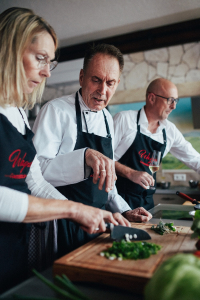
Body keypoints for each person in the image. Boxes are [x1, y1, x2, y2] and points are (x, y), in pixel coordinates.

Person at [0, 8, 118, 294]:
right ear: (8, 50)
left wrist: (82, 211)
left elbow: (34, 180)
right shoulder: (55, 110)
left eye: (50, 62)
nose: (45, 72)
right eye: (40, 58)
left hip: (11, 244)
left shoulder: (16, 112)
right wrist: (71, 208)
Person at [32, 43, 152, 257]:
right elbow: (36, 172)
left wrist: (124, 209)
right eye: (95, 80)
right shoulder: (56, 111)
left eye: (110, 83)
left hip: (97, 223)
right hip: (61, 223)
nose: (102, 90)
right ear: (81, 77)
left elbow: (109, 181)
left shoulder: (107, 118)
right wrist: (84, 156)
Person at [113, 78, 200, 210]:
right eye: (170, 100)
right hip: (118, 201)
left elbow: (195, 159)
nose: (174, 106)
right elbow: (102, 158)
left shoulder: (170, 131)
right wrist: (130, 173)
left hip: (147, 204)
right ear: (152, 98)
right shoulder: (124, 120)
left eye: (176, 100)